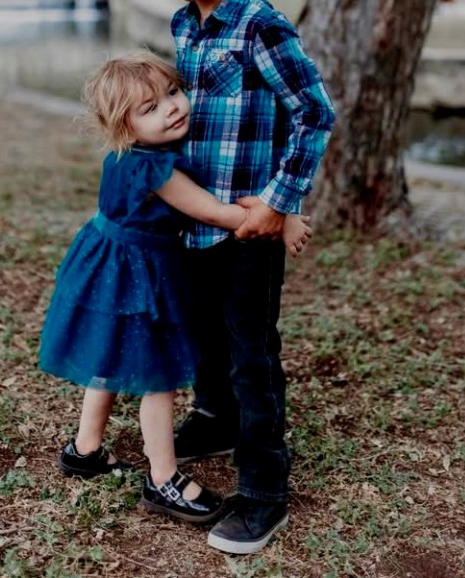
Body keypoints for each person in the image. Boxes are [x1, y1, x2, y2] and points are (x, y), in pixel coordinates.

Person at [122, 0, 336, 554]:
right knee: (205, 332)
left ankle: (265, 489)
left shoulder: (260, 26)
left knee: (250, 352)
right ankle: (214, 418)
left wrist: (279, 202)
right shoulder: (186, 25)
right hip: (195, 216)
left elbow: (315, 115)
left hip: (249, 225)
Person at [39, 51, 309, 527]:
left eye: (172, 92)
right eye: (150, 108)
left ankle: (85, 449)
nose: (172, 107)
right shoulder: (157, 170)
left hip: (108, 264)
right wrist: (281, 218)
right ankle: (164, 478)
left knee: (110, 359)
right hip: (139, 272)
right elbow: (212, 212)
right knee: (156, 376)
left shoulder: (129, 156)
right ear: (124, 127)